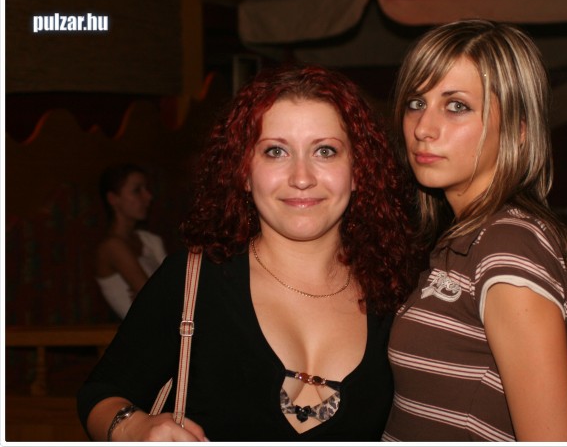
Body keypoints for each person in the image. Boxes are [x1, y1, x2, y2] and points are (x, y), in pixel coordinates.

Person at [77, 65, 422, 441]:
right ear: (243, 171)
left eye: (325, 151)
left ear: (358, 171)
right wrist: (134, 427)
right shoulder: (192, 280)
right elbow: (101, 392)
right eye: (276, 151)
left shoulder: (399, 294)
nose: (301, 177)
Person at [382, 19, 567, 442]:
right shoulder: (468, 239)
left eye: (456, 106)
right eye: (416, 102)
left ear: (518, 129)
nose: (422, 128)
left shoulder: (510, 245)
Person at [95, 163, 167, 319]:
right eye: (137, 190)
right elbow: (155, 298)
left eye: (146, 189)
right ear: (113, 199)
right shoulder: (112, 247)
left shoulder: (150, 240)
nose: (148, 197)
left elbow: (173, 291)